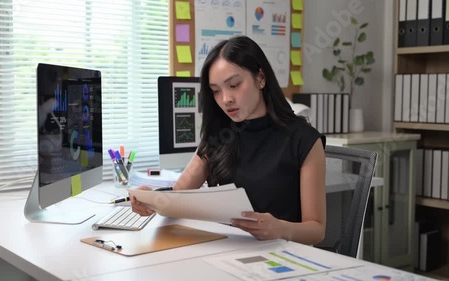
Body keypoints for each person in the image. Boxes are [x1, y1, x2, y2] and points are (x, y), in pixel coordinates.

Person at [131, 35, 326, 245]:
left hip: (282, 257)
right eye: (216, 91)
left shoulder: (304, 139)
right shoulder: (220, 135)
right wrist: (150, 199)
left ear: (260, 78)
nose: (226, 99)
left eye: (234, 85)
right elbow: (179, 195)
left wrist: (279, 228)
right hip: (226, 250)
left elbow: (316, 230)